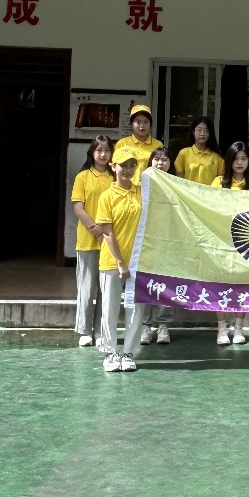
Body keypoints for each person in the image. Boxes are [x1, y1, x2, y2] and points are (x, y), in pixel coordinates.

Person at [95, 146, 149, 373]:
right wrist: (120, 262)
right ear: (113, 166)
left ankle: (128, 353)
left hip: (138, 262)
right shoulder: (107, 197)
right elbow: (107, 232)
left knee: (136, 309)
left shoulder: (141, 193)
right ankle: (110, 353)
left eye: (131, 166)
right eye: (123, 165)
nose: (127, 170)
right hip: (112, 262)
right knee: (109, 308)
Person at [70, 135, 114, 347]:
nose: (103, 154)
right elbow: (78, 207)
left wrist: (105, 231)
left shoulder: (115, 177)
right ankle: (85, 330)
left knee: (106, 288)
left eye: (107, 150)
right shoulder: (83, 177)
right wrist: (95, 229)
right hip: (88, 239)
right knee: (87, 288)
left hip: (110, 240)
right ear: (92, 153)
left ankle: (101, 330)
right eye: (99, 150)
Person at [212, 141, 249, 346]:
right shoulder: (218, 182)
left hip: (247, 242)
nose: (239, 162)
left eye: (244, 158)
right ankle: (222, 328)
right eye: (236, 158)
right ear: (229, 161)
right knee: (220, 284)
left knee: (243, 284)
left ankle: (238, 327)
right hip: (221, 239)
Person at [138, 146, 175, 346]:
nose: (160, 163)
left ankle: (163, 325)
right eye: (157, 159)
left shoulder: (176, 184)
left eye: (165, 159)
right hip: (146, 240)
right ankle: (145, 325)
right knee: (146, 282)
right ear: (151, 161)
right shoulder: (142, 181)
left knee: (166, 283)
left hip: (168, 241)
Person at [114, 104, 163, 186]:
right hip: (127, 189)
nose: (142, 125)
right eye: (138, 122)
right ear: (131, 124)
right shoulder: (122, 143)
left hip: (149, 189)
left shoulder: (158, 145)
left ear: (150, 124)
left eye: (146, 122)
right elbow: (115, 169)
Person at [175, 116, 222, 186]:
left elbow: (221, 180)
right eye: (199, 130)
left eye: (206, 131)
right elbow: (178, 178)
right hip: (188, 192)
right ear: (193, 132)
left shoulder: (217, 156)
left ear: (210, 134)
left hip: (209, 192)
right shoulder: (184, 153)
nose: (202, 134)